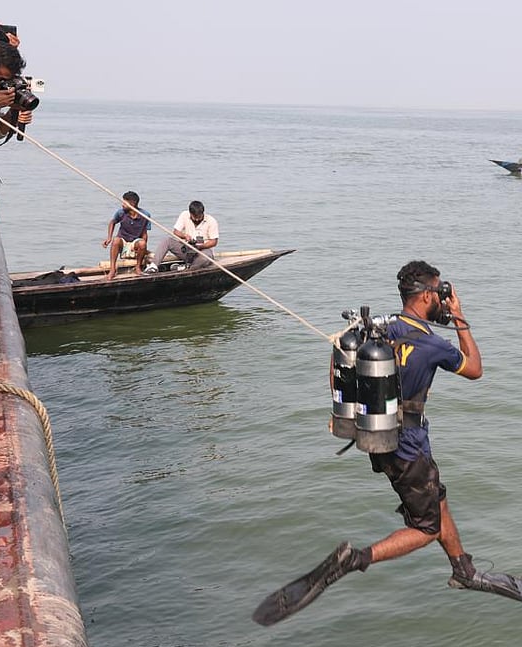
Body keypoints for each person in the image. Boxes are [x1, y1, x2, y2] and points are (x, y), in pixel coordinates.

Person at [261, 260, 492, 621]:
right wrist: (459, 317)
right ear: (430, 295)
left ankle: (462, 568)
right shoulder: (433, 344)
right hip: (409, 447)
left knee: (435, 497)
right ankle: (355, 560)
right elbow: (475, 369)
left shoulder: (378, 331)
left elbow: (339, 363)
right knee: (425, 528)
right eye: (440, 292)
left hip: (377, 437)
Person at [146, 200, 218, 273]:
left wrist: (200, 246)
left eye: (199, 217)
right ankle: (153, 266)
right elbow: (176, 231)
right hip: (187, 248)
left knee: (205, 258)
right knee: (167, 241)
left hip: (202, 250)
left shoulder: (211, 221)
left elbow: (214, 242)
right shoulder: (184, 215)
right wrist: (185, 236)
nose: (197, 219)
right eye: (194, 217)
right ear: (190, 214)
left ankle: (188, 268)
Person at [103, 191, 149, 279]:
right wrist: (109, 238)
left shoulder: (145, 215)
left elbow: (144, 233)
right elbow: (112, 222)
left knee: (142, 243)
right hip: (123, 240)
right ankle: (112, 270)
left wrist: (144, 248)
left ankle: (138, 267)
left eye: (124, 202)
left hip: (135, 242)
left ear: (133, 203)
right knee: (115, 240)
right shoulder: (121, 213)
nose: (122, 204)